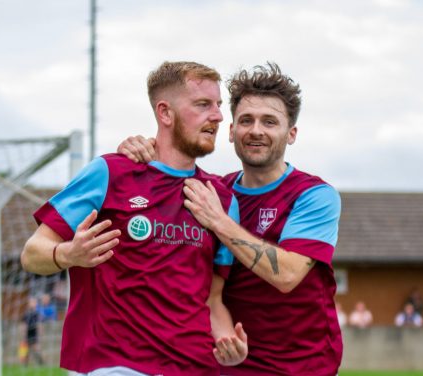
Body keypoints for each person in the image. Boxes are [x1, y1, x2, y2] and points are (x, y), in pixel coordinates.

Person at [21, 61, 247, 376]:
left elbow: (212, 299)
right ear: (165, 113)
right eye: (203, 105)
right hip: (115, 366)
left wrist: (227, 342)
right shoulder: (110, 173)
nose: (218, 116)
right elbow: (32, 253)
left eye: (219, 106)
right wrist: (68, 254)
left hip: (196, 367)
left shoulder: (221, 199)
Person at [118, 62, 342, 376]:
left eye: (270, 122)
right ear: (231, 131)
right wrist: (141, 151)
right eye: (246, 120)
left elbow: (288, 275)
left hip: (301, 366)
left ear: (291, 133)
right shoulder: (214, 192)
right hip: (227, 360)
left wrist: (219, 222)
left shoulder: (314, 195)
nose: (256, 131)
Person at [20, 297, 44, 366]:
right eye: (31, 302)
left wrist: (40, 332)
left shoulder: (37, 314)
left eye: (34, 302)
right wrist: (23, 333)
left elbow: (40, 324)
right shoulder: (26, 313)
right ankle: (25, 364)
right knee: (26, 349)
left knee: (36, 349)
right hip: (27, 333)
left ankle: (41, 362)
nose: (32, 304)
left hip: (34, 333)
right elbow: (23, 324)